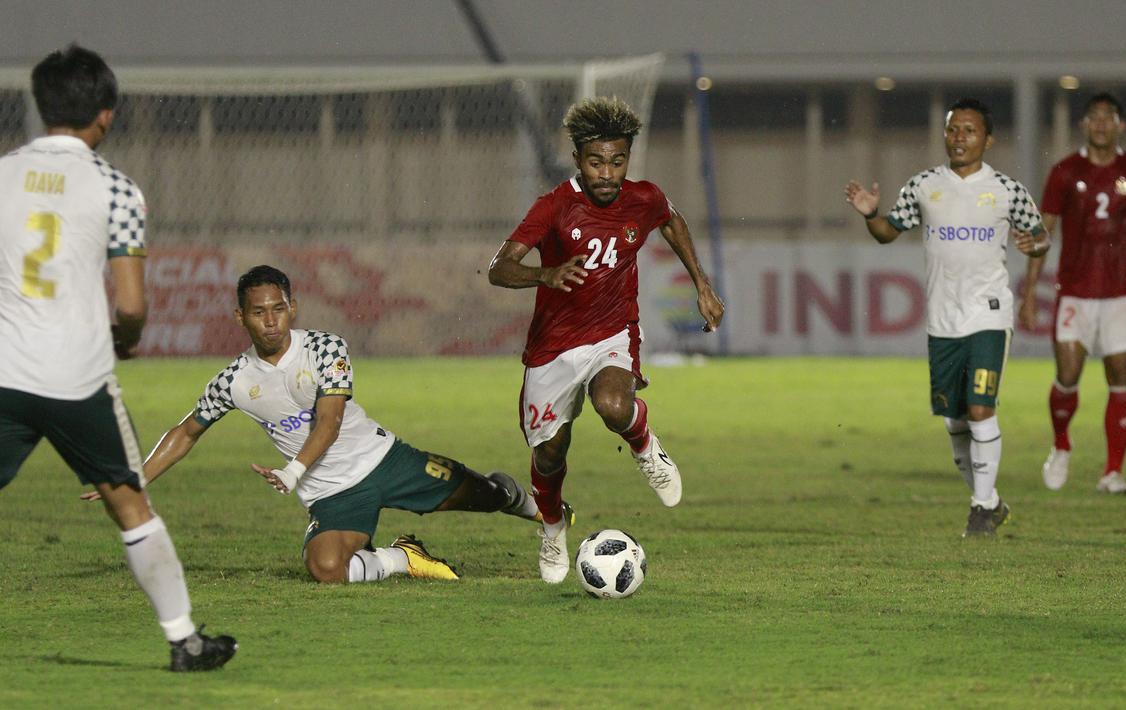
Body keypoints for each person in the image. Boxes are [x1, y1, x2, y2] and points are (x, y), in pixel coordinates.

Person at [85, 265, 551, 585]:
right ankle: (401, 557)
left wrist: (290, 473)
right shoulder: (233, 380)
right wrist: (134, 480)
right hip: (332, 492)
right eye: (258, 312)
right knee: (326, 569)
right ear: (239, 317)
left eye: (278, 308)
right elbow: (185, 432)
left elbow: (327, 423)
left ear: (293, 307)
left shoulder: (326, 348)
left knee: (488, 497)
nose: (271, 321)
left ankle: (535, 508)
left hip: (383, 461)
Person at [0, 45, 236, 671]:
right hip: (77, 378)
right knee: (130, 505)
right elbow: (130, 305)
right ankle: (184, 641)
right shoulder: (116, 188)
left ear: (40, 103)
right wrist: (126, 339)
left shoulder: (1, 175)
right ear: (105, 116)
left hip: (3, 372)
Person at [488, 96, 724, 582]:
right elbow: (499, 268)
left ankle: (645, 448)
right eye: (596, 162)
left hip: (613, 331)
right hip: (552, 349)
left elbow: (672, 221)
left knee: (614, 406)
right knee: (550, 454)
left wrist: (702, 283)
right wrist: (545, 274)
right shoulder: (552, 207)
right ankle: (552, 527)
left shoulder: (644, 197)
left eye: (617, 161)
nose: (607, 173)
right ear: (577, 158)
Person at [843, 98, 1050, 538]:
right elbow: (887, 234)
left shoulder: (1008, 190)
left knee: (981, 408)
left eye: (970, 131)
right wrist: (870, 215)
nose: (960, 138)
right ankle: (991, 502)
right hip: (942, 320)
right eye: (953, 130)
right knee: (955, 421)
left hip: (989, 314)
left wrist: (1036, 247)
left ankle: (978, 510)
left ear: (988, 139)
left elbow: (1038, 234)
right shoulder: (923, 186)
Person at [1019, 93, 1126, 495]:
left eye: (1108, 118)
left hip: (1121, 293)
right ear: (1084, 125)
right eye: (1094, 118)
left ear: (1120, 125)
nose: (1100, 124)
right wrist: (1028, 292)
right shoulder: (1064, 172)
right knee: (1068, 375)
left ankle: (1112, 472)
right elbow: (1045, 233)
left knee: (1121, 379)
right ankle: (1061, 445)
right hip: (1074, 291)